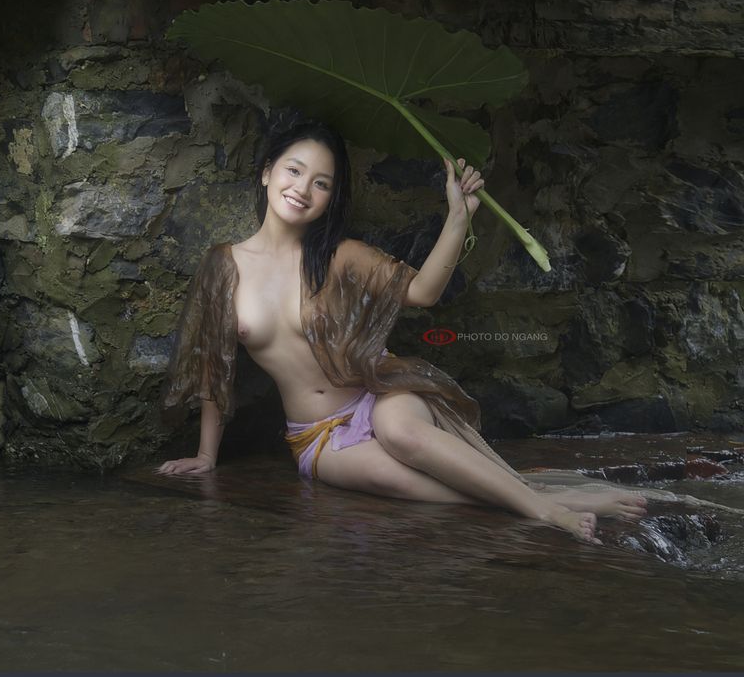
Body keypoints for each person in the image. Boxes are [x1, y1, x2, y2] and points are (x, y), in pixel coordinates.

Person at [157, 119, 648, 545]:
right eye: (294, 171)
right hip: (317, 435)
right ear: (267, 172)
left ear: (330, 199)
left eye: (321, 183)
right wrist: (205, 454)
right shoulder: (223, 266)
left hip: (379, 392)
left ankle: (542, 510)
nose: (303, 189)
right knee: (395, 482)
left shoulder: (340, 255)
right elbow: (213, 365)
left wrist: (459, 217)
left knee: (402, 433)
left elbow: (422, 292)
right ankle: (549, 498)